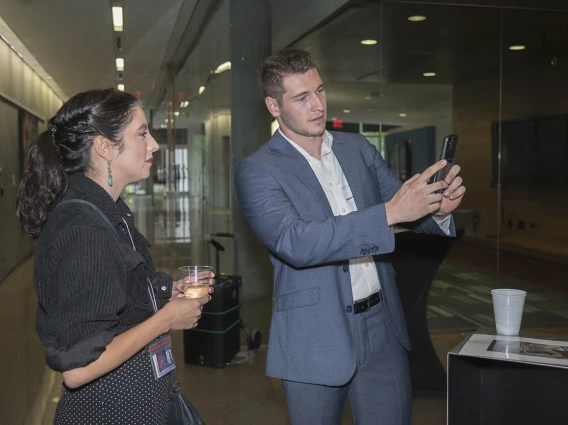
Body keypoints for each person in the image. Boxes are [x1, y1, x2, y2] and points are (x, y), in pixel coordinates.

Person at [234, 49, 466, 425]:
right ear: (273, 105)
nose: (318, 105)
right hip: (315, 334)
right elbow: (297, 242)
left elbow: (404, 206)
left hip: (382, 325)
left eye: (320, 91)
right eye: (302, 97)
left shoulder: (356, 147)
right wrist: (393, 212)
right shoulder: (258, 171)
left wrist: (437, 207)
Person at [17, 88, 213, 424]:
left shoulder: (110, 212)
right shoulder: (84, 230)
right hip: (110, 412)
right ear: (104, 147)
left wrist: (167, 293)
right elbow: (78, 369)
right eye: (141, 133)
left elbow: (114, 293)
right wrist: (166, 319)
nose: (153, 145)